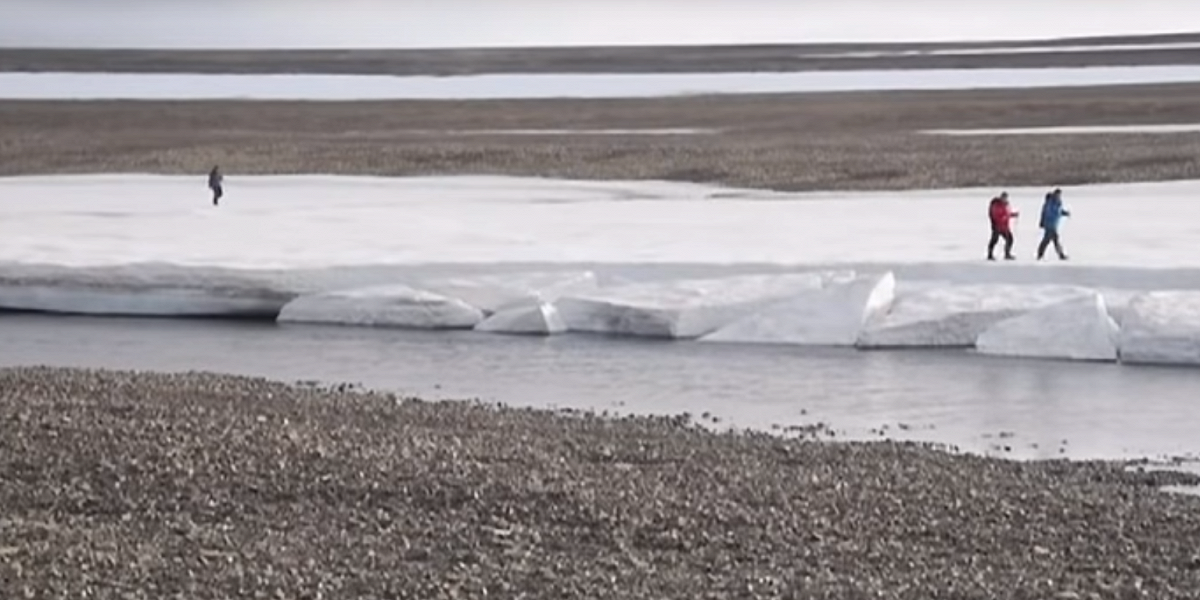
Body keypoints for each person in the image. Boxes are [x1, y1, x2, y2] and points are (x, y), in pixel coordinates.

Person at [1037, 188, 1071, 260]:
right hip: (1049, 225)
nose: (1059, 196)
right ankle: (1060, 255)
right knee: (1054, 240)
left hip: (1054, 224)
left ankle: (1040, 254)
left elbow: (1059, 211)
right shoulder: (1050, 203)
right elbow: (1049, 213)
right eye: (1058, 195)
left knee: (1048, 240)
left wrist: (1064, 213)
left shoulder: (1057, 203)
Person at [987, 191, 1018, 261]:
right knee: (994, 240)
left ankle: (1007, 254)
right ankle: (990, 254)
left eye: (1006, 198)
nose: (1005, 199)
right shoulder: (996, 205)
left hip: (1004, 227)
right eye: (1004, 198)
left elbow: (1006, 214)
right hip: (997, 226)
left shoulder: (1005, 205)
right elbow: (996, 216)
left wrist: (1013, 215)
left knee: (1010, 239)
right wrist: (1003, 218)